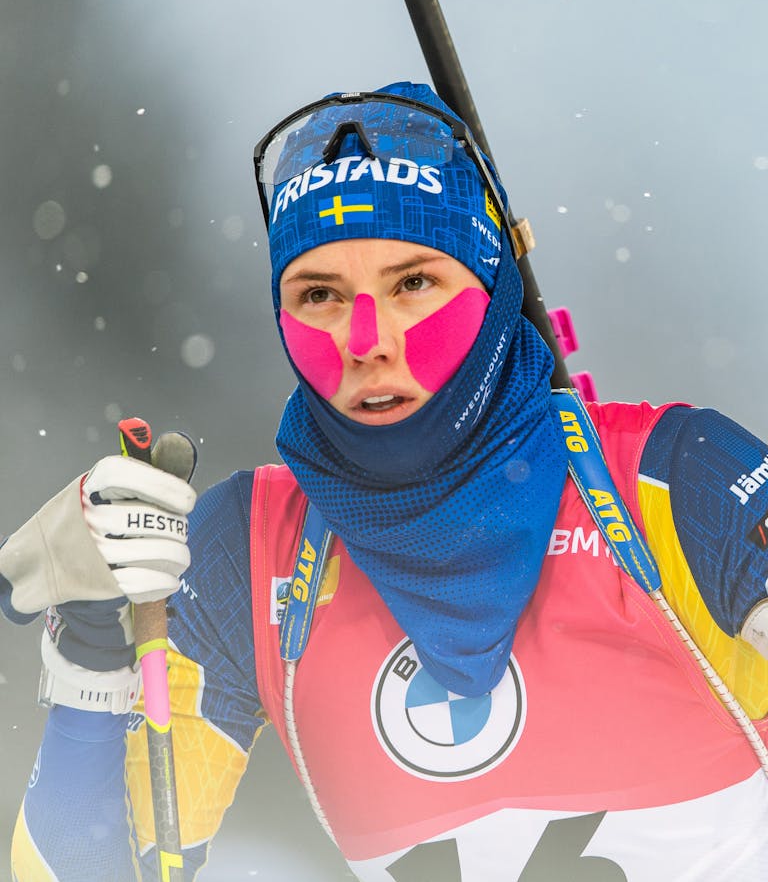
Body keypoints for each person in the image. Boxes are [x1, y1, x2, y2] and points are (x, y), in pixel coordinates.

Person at [3, 80, 768, 882]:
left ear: (492, 287)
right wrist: (91, 647)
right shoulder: (247, 552)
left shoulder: (675, 481)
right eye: (319, 295)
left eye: (413, 283)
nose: (366, 341)